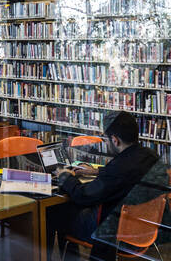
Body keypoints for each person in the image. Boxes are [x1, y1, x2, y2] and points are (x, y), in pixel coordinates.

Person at [49, 111, 160, 261]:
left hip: (113, 232)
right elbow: (121, 177)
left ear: (115, 140)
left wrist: (65, 176)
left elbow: (84, 196)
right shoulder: (151, 156)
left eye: (106, 140)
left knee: (53, 212)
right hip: (144, 228)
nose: (106, 144)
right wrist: (98, 171)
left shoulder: (118, 168)